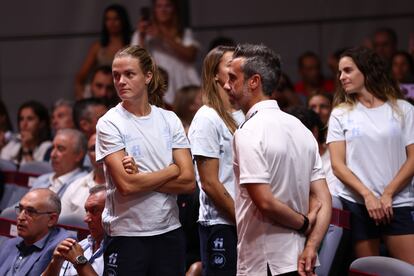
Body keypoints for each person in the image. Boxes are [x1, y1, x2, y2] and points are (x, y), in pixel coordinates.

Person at [226, 44, 332, 276]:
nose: (226, 85)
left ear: (254, 81)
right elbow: (324, 199)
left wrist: (303, 223)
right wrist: (312, 246)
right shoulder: (301, 129)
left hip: (264, 263)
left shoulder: (249, 131)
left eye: (233, 78)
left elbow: (264, 202)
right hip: (300, 259)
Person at [95, 45, 195, 275]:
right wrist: (171, 170)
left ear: (148, 76)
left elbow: (188, 182)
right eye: (116, 75)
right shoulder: (109, 123)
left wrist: (142, 177)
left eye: (129, 74)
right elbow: (127, 186)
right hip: (127, 234)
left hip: (169, 232)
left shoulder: (170, 120)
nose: (121, 81)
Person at [327, 46, 414, 264]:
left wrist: (387, 194)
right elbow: (337, 165)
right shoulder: (340, 113)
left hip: (398, 201)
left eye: (347, 70)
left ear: (366, 70)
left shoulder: (403, 109)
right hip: (357, 203)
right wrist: (368, 196)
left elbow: (413, 158)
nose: (341, 77)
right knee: (369, 271)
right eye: (339, 72)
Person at [188, 46, 244, 276]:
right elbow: (209, 183)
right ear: (214, 75)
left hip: (248, 221)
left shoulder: (246, 113)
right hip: (221, 222)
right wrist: (242, 220)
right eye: (229, 64)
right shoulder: (207, 117)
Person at [131, 0, 200, 106]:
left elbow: (191, 55)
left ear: (174, 9)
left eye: (167, 6)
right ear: (154, 10)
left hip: (181, 81)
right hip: (157, 80)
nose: (163, 10)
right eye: (159, 6)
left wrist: (162, 36)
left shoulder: (184, 32)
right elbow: (136, 60)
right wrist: (141, 36)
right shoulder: (142, 33)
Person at [0, 189, 72, 276]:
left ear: (51, 219)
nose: (21, 217)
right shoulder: (10, 244)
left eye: (30, 212)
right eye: (21, 209)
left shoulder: (60, 247)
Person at [42, 185, 106, 276]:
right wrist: (55, 262)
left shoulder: (123, 253)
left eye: (95, 211)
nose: (86, 219)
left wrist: (79, 260)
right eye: (86, 211)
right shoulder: (80, 246)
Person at [75, 4, 131, 100]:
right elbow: (80, 77)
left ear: (123, 21)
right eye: (108, 19)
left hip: (123, 95)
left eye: (116, 19)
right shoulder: (98, 47)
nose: (112, 23)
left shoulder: (131, 46)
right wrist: (81, 98)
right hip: (100, 96)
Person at [30, 129, 88, 198]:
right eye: (53, 148)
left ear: (78, 155)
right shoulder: (42, 179)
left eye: (60, 149)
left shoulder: (83, 184)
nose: (52, 155)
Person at [60, 133, 105, 220]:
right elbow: (61, 222)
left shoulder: (126, 187)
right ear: (88, 155)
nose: (100, 153)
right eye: (93, 149)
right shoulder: (75, 186)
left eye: (105, 146)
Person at [1, 101, 52, 166]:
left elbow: (37, 173)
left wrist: (26, 149)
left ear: (42, 123)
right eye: (21, 119)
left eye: (30, 119)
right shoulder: (11, 147)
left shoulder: (48, 148)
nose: (24, 124)